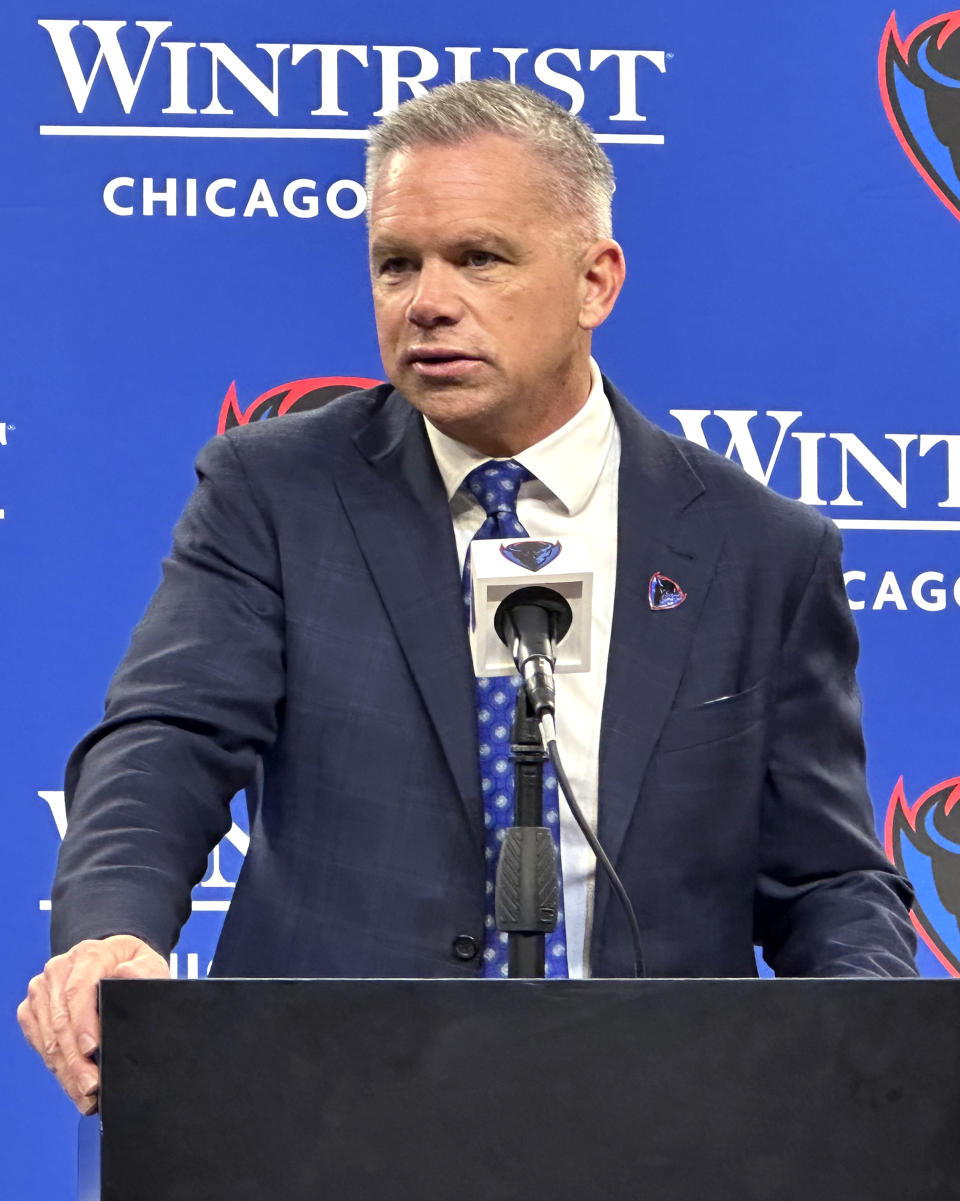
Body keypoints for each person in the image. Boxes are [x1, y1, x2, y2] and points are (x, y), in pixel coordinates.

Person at [17, 80, 917, 1115]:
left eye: (479, 258)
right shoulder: (275, 495)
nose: (427, 301)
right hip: (322, 1118)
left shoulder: (759, 550)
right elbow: (164, 740)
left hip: (655, 1125)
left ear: (596, 281)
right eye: (397, 263)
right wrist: (109, 932)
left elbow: (823, 879)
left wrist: (871, 1044)